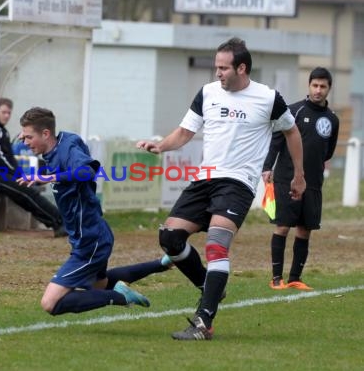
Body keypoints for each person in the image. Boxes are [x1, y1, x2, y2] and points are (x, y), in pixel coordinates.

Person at [136, 37, 306, 340]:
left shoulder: (268, 98)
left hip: (238, 183)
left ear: (242, 68)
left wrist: (298, 175)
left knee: (216, 244)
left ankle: (204, 323)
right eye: (216, 67)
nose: (217, 73)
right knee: (170, 237)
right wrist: (160, 145)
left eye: (223, 68)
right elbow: (186, 131)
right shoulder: (208, 93)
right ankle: (209, 284)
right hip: (205, 179)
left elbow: (292, 132)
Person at [17, 107, 174, 315]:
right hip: (91, 233)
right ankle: (161, 264)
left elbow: (87, 170)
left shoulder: (68, 147)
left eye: (29, 137)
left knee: (50, 303)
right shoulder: (58, 145)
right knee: (100, 284)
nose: (25, 142)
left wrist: (45, 178)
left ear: (46, 134)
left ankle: (120, 296)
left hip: (89, 240)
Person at [262, 67, 339, 291]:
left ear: (328, 89)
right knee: (283, 226)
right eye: (314, 85)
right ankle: (276, 278)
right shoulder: (293, 111)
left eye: (323, 86)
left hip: (313, 183)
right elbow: (276, 141)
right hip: (286, 178)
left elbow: (329, 152)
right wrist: (268, 167)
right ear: (309, 86)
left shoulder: (332, 119)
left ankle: (295, 278)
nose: (318, 90)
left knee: (305, 229)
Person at [0, 98, 66, 237]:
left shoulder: (1, 130)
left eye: (9, 113)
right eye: (3, 112)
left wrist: (18, 174)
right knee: (26, 192)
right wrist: (17, 174)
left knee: (29, 189)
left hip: (0, 173)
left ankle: (59, 221)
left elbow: (7, 156)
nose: (7, 116)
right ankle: (58, 222)